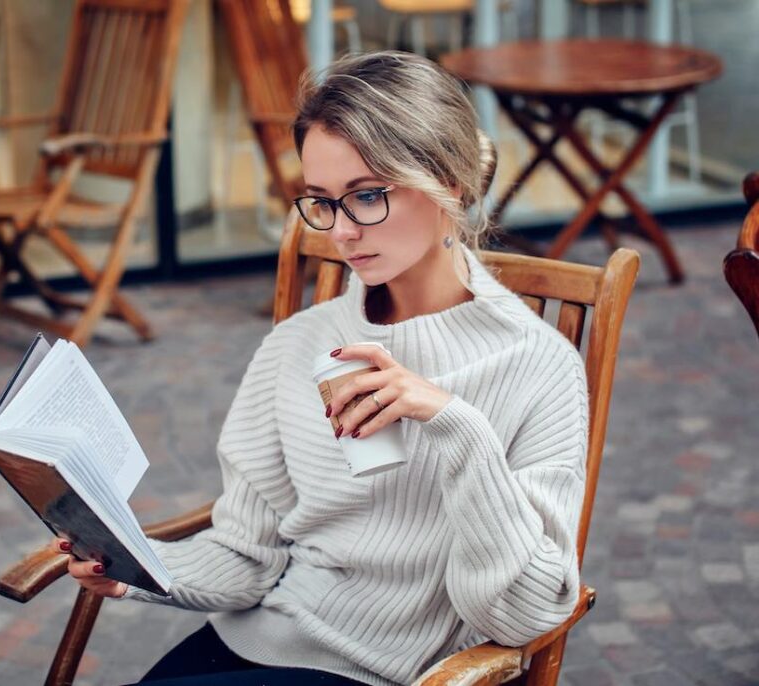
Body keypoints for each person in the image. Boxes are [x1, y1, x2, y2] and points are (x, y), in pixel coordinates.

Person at [55, 51, 589, 686]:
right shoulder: (299, 343)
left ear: (450, 182)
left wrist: (454, 426)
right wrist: (137, 570)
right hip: (262, 638)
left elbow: (527, 615)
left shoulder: (538, 365)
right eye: (321, 201)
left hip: (388, 671)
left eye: (366, 195)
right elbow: (247, 554)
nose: (340, 231)